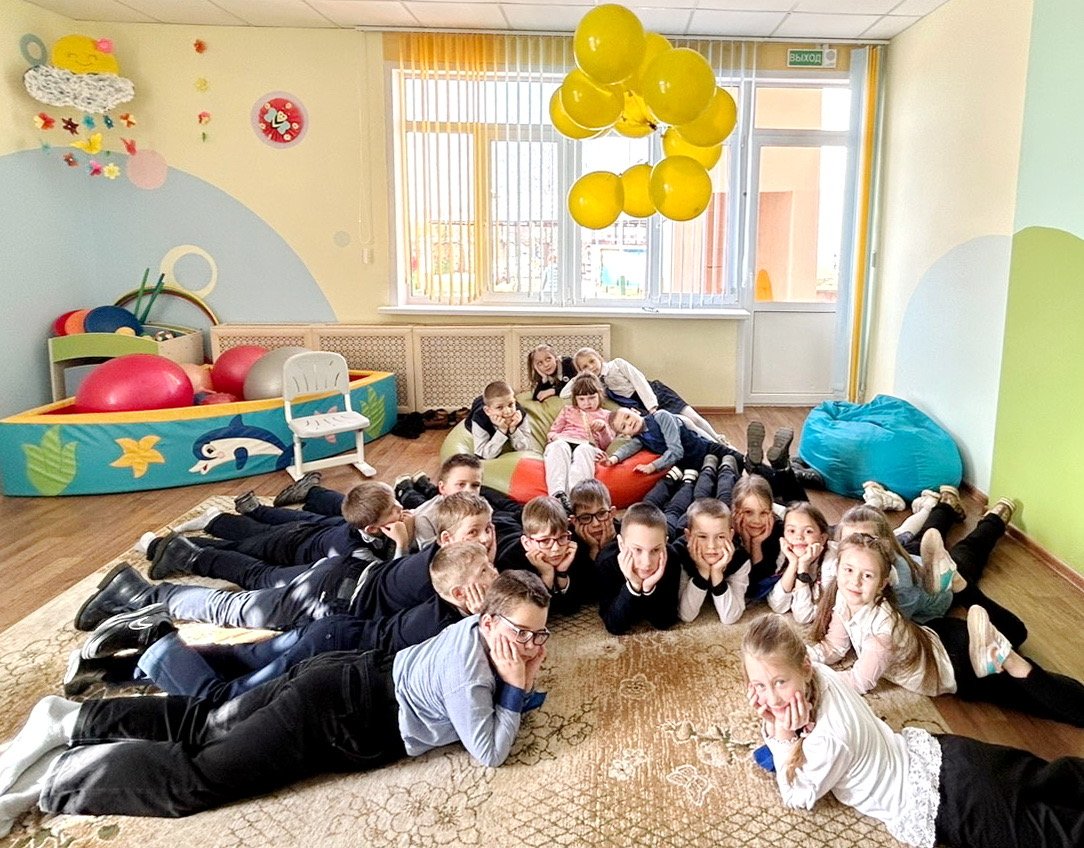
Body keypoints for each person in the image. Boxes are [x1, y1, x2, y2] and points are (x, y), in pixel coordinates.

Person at [0, 571, 551, 833]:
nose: (530, 646)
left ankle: (69, 718)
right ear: (486, 620)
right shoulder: (470, 671)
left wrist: (515, 664)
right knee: (200, 777)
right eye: (520, 632)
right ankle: (53, 778)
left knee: (208, 720)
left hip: (338, 675)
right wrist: (515, 683)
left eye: (539, 635)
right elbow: (490, 751)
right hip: (334, 715)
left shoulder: (471, 633)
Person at [743, 612, 1084, 848]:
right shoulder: (820, 673)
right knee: (1050, 776)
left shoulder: (830, 740)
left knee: (1059, 835)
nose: (771, 698)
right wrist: (782, 719)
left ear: (804, 667)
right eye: (759, 685)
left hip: (949, 804)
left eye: (779, 682)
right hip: (951, 754)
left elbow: (799, 796)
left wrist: (781, 734)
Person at [69, 541, 499, 706]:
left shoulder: (444, 580)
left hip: (336, 616)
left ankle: (112, 669)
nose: (493, 575)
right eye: (486, 571)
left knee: (238, 655)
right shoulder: (454, 614)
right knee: (227, 697)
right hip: (330, 618)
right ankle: (155, 634)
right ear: (460, 592)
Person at [72, 493, 497, 635]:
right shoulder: (444, 567)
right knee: (238, 606)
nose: (486, 540)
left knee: (254, 586)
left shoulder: (455, 558)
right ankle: (143, 594)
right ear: (445, 539)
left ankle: (178, 561)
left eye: (489, 531)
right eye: (475, 533)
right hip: (332, 593)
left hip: (342, 577)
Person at [808, 532, 1084, 727]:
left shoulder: (881, 634)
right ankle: (958, 584)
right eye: (848, 570)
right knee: (1016, 632)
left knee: (1029, 695)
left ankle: (1006, 658)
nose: (854, 581)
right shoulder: (845, 598)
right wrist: (807, 658)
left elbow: (859, 682)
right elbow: (835, 646)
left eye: (867, 575)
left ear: (882, 584)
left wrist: (812, 678)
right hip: (942, 634)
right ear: (838, 569)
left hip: (959, 667)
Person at [129, 481, 409, 595]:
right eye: (394, 510)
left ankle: (215, 519)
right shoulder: (355, 552)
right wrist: (402, 544)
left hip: (306, 533)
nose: (401, 510)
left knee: (255, 533)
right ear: (372, 529)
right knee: (241, 547)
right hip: (288, 547)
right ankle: (158, 546)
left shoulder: (359, 528)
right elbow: (388, 576)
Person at [561, 346, 725, 443]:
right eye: (585, 367)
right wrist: (581, 376)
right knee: (685, 424)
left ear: (599, 358)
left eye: (592, 361)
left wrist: (653, 407)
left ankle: (718, 439)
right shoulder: (596, 384)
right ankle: (709, 444)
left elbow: (639, 381)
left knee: (693, 418)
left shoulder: (617, 364)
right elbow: (564, 394)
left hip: (653, 394)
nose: (591, 367)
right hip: (639, 407)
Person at [596, 503, 680, 635]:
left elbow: (665, 621)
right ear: (621, 544)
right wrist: (633, 586)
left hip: (672, 528)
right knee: (673, 509)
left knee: (676, 511)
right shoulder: (606, 562)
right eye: (637, 550)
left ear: (665, 544)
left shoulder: (671, 558)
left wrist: (648, 588)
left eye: (655, 550)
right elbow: (614, 626)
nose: (646, 562)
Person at [543, 374, 614, 510]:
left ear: (600, 395)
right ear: (575, 399)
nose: (587, 403)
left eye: (591, 398)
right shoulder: (568, 410)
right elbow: (552, 432)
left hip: (588, 445)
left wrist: (603, 429)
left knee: (583, 450)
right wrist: (554, 437)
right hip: (565, 440)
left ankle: (576, 499)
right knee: (558, 447)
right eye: (581, 399)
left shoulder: (606, 415)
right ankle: (558, 496)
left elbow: (607, 445)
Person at [605, 407, 742, 477]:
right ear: (625, 434)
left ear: (635, 411)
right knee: (724, 477)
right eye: (624, 426)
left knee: (741, 461)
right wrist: (613, 459)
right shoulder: (640, 439)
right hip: (692, 467)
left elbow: (676, 451)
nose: (629, 423)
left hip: (705, 449)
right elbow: (628, 448)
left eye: (628, 417)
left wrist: (653, 466)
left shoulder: (660, 417)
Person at [675, 498, 749, 625]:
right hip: (678, 523)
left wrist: (717, 573)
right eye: (702, 537)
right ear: (688, 537)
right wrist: (703, 571)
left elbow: (730, 617)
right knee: (674, 509)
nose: (711, 546)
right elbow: (686, 615)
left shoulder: (740, 558)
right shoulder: (680, 554)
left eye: (720, 537)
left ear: (731, 535)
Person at [766, 502, 831, 625]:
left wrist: (803, 567)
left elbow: (804, 616)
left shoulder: (830, 564)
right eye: (791, 530)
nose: (799, 537)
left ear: (822, 539)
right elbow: (778, 606)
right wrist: (793, 563)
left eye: (808, 531)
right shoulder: (786, 551)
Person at [467, 380, 532, 459]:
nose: (508, 411)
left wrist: (513, 429)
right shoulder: (479, 419)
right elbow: (483, 455)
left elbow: (526, 448)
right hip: (480, 406)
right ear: (487, 411)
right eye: (499, 407)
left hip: (494, 404)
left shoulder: (519, 413)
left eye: (510, 405)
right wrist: (502, 430)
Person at [567, 479, 618, 563]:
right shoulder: (569, 543)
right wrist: (594, 550)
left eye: (601, 513)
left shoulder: (625, 535)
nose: (596, 524)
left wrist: (607, 548)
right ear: (575, 521)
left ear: (612, 513)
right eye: (585, 517)